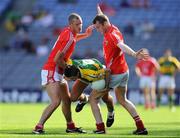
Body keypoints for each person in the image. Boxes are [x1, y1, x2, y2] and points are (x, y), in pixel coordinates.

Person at [89, 4, 149, 135]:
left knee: (92, 99)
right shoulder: (111, 27)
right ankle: (141, 127)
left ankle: (100, 128)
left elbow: (121, 45)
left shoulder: (111, 35)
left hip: (115, 73)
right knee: (123, 100)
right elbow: (102, 17)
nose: (98, 30)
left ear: (105, 24)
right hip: (124, 72)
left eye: (98, 27)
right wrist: (98, 8)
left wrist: (134, 54)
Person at [33, 13, 94, 134]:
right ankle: (38, 127)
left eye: (81, 24)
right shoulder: (69, 37)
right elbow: (57, 59)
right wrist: (68, 68)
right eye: (77, 24)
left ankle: (70, 126)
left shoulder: (69, 32)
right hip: (52, 70)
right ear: (70, 24)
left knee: (67, 100)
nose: (80, 26)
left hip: (57, 71)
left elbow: (74, 38)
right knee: (56, 101)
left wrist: (86, 35)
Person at [64, 58, 114, 133]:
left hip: (99, 76)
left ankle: (111, 113)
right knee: (73, 98)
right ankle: (84, 99)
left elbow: (107, 71)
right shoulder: (71, 65)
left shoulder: (91, 72)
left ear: (76, 74)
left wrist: (106, 87)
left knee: (105, 99)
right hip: (84, 75)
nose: (71, 80)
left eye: (72, 78)